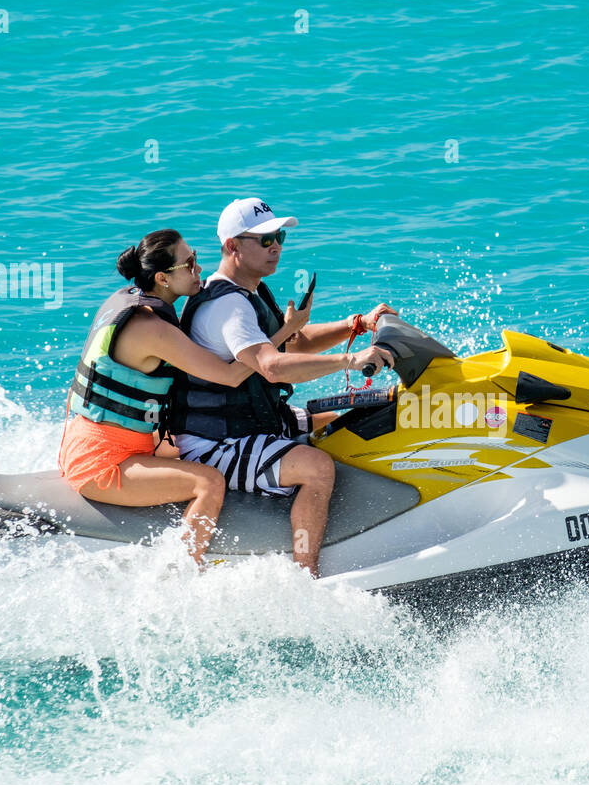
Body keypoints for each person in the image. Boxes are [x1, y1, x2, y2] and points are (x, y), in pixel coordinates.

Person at [58, 228, 309, 565]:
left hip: (93, 441)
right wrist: (284, 332)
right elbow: (233, 375)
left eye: (197, 259)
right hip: (105, 462)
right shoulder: (153, 330)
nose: (199, 270)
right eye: (189, 264)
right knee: (208, 482)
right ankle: (183, 572)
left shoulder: (127, 300)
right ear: (162, 278)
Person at [172, 198, 395, 577]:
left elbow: (293, 344)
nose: (275, 245)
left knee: (339, 423)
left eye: (279, 236)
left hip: (252, 420)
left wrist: (357, 324)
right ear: (232, 246)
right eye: (264, 239)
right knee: (317, 467)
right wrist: (350, 360)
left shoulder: (251, 290)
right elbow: (273, 367)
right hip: (215, 443)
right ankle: (305, 577)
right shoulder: (230, 308)